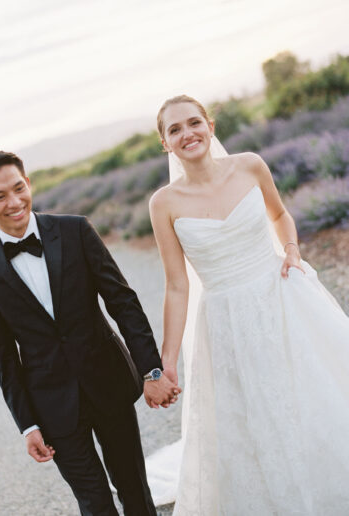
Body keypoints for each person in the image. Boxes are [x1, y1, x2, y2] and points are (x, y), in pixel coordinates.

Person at [148, 95, 349, 515]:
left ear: (210, 126)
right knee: (256, 417)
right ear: (165, 143)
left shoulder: (251, 165)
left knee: (311, 394)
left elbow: (280, 216)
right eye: (175, 129)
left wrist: (291, 250)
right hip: (225, 321)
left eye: (193, 123)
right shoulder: (164, 203)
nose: (187, 134)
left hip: (281, 297)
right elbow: (177, 285)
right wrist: (167, 361)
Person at [0, 150, 181, 516]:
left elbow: (123, 303)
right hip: (51, 404)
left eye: (19, 188)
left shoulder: (75, 230)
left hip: (108, 381)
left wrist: (152, 371)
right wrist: (27, 425)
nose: (14, 202)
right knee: (93, 503)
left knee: (134, 489)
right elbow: (1, 354)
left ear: (28, 183)